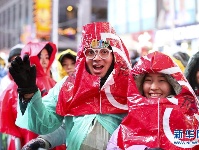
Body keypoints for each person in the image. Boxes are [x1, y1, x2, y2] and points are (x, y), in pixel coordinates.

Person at [9, 22, 132, 150]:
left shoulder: (131, 87)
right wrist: (29, 93)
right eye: (90, 52)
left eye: (104, 51)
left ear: (115, 55)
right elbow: (52, 123)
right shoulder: (69, 86)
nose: (96, 58)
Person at [107, 51, 199, 150]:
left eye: (161, 80)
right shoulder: (130, 122)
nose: (154, 87)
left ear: (172, 84)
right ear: (140, 84)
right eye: (148, 80)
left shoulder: (190, 117)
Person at [0, 42, 57, 150]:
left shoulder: (54, 83)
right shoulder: (18, 84)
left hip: (52, 136)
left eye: (47, 57)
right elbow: (6, 111)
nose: (44, 60)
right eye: (39, 56)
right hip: (26, 135)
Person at [21, 49, 77, 150]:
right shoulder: (64, 85)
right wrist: (43, 141)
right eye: (90, 52)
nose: (69, 67)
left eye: (47, 57)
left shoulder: (114, 88)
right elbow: (66, 126)